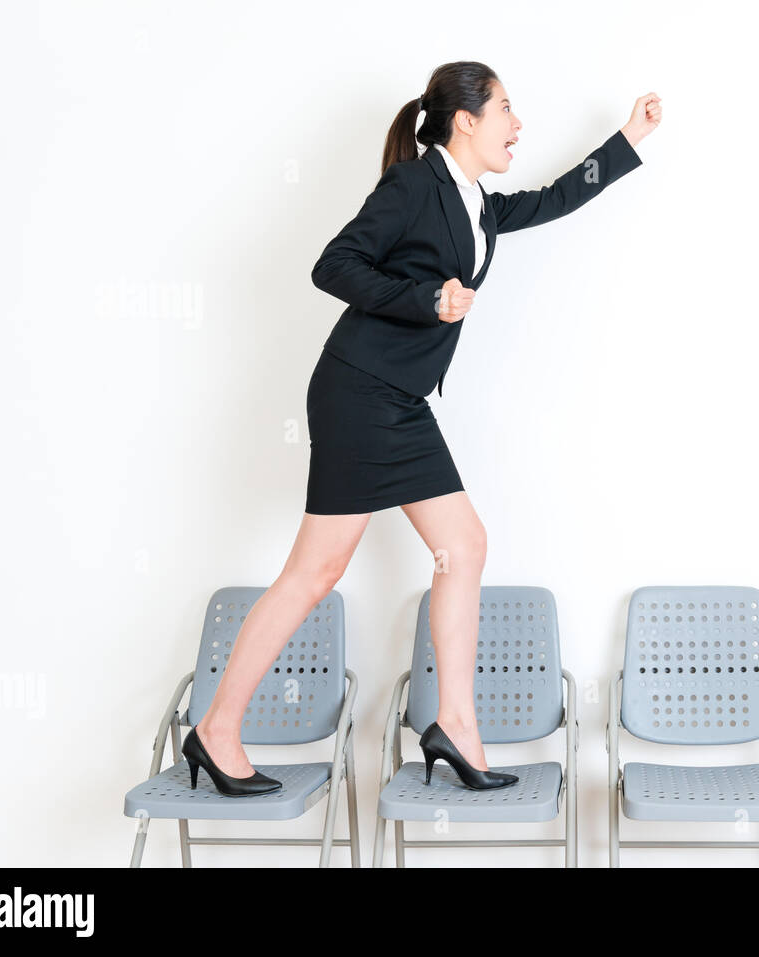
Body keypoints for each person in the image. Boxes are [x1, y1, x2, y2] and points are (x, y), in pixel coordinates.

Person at [182, 60, 662, 795]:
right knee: (315, 572)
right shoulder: (413, 185)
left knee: (462, 545)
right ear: (464, 120)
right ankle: (216, 730)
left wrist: (627, 137)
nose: (518, 124)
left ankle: (457, 728)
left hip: (400, 402)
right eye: (506, 109)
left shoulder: (474, 202)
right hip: (358, 392)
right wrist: (424, 299)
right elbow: (332, 264)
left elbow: (555, 198)